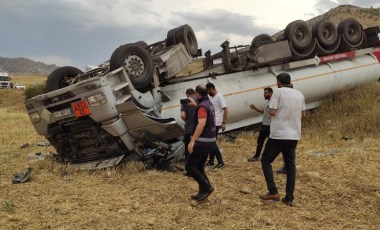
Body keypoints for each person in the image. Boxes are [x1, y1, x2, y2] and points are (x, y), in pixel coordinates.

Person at [259, 73, 306, 207]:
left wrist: (269, 112)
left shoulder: (277, 93)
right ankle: (289, 197)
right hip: (294, 135)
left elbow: (273, 112)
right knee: (290, 166)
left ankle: (273, 191)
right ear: (290, 81)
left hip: (279, 134)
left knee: (266, 160)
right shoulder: (300, 94)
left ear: (278, 82)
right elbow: (303, 114)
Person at [185, 84, 216, 201]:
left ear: (197, 94)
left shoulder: (202, 107)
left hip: (202, 142)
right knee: (199, 166)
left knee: (189, 166)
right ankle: (203, 191)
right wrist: (195, 105)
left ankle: (207, 187)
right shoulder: (209, 103)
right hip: (210, 141)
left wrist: (192, 141)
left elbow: (201, 124)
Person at [205, 82, 228, 169]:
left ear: (211, 89)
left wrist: (224, 122)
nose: (208, 93)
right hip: (213, 122)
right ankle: (211, 161)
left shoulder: (219, 97)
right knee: (212, 142)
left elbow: (225, 109)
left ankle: (220, 162)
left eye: (208, 91)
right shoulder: (213, 97)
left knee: (212, 142)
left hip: (217, 123)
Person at [248, 87, 273, 162]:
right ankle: (257, 156)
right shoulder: (267, 102)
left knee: (270, 142)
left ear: (270, 93)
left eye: (265, 93)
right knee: (260, 141)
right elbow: (263, 111)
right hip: (264, 125)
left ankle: (262, 157)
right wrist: (255, 108)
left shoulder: (273, 102)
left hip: (269, 126)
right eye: (264, 93)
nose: (264, 94)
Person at [180, 88, 197, 161]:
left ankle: (188, 161)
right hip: (198, 128)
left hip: (189, 128)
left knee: (188, 146)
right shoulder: (199, 100)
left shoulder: (185, 102)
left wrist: (187, 120)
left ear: (187, 94)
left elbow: (183, 115)